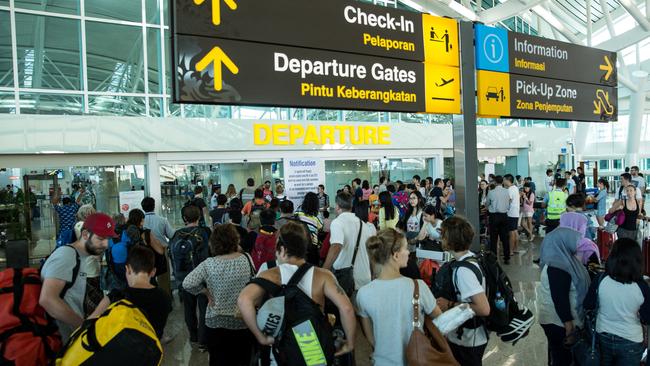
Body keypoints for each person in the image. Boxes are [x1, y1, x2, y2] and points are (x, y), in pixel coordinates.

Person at [237, 221, 356, 361]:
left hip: (279, 349)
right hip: (313, 348)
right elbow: (347, 308)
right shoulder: (323, 276)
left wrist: (260, 337)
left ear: (281, 249)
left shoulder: (268, 274)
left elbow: (243, 300)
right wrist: (350, 343)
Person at [357, 228, 442, 366]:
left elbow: (371, 337)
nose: (408, 252)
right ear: (396, 255)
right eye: (406, 249)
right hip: (416, 360)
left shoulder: (363, 293)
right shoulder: (418, 287)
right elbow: (441, 321)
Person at [183, 224, 256, 366]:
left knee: (217, 360)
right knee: (242, 359)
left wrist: (205, 292)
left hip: (215, 321)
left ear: (213, 243)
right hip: (242, 318)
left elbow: (187, 283)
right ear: (236, 240)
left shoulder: (209, 264)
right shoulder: (246, 259)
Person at [39, 213, 115, 341]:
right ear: (85, 235)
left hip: (70, 336)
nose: (106, 244)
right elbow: (47, 299)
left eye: (108, 238)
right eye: (101, 239)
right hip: (60, 339)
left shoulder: (80, 257)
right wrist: (83, 327)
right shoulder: (66, 255)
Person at [583, 238, 650, 365]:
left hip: (602, 336)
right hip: (630, 340)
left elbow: (588, 305)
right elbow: (647, 318)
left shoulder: (600, 279)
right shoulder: (642, 287)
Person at [435, 216, 491, 365]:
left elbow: (483, 308)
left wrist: (450, 304)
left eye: (443, 236)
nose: (441, 239)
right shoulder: (470, 258)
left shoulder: (463, 271)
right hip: (467, 336)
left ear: (451, 240)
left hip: (469, 339)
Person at [536, 220, 591, 366]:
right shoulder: (558, 266)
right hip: (558, 323)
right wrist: (569, 328)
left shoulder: (562, 259)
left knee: (559, 355)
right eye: (574, 241)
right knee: (562, 359)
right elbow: (560, 299)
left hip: (558, 321)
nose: (577, 245)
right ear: (563, 242)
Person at [90, 245, 172, 339]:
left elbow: (90, 323)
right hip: (152, 350)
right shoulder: (165, 297)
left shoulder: (115, 296)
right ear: (153, 271)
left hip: (122, 352)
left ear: (127, 269)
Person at [173, 205, 211, 351]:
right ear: (199, 217)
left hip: (183, 278)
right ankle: (202, 341)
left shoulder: (176, 235)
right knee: (203, 309)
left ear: (184, 219)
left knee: (188, 309)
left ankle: (193, 337)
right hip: (201, 278)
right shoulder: (205, 232)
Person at [323, 191, 375, 296]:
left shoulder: (338, 222)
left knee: (345, 310)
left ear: (337, 207)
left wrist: (324, 270)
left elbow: (336, 246)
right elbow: (372, 251)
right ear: (351, 207)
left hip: (347, 280)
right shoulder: (363, 224)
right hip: (365, 277)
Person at [142, 196, 176, 297]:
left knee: (147, 276)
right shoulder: (162, 220)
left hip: (145, 252)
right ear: (154, 206)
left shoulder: (141, 222)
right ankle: (165, 298)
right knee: (164, 277)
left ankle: (151, 297)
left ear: (143, 207)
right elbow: (171, 235)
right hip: (161, 250)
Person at [486, 176, 511, 264]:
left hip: (494, 216)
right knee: (505, 238)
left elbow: (487, 204)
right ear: (502, 182)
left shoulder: (491, 192)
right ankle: (507, 257)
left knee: (494, 238)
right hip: (504, 216)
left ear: (495, 182)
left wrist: (489, 207)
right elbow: (508, 204)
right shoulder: (507, 191)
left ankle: (494, 258)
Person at [503, 174, 521, 254]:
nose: (503, 181)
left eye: (504, 180)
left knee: (511, 232)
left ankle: (510, 251)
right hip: (515, 212)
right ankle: (515, 249)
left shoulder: (510, 189)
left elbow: (508, 201)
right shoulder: (515, 188)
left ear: (507, 180)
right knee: (515, 230)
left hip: (511, 213)